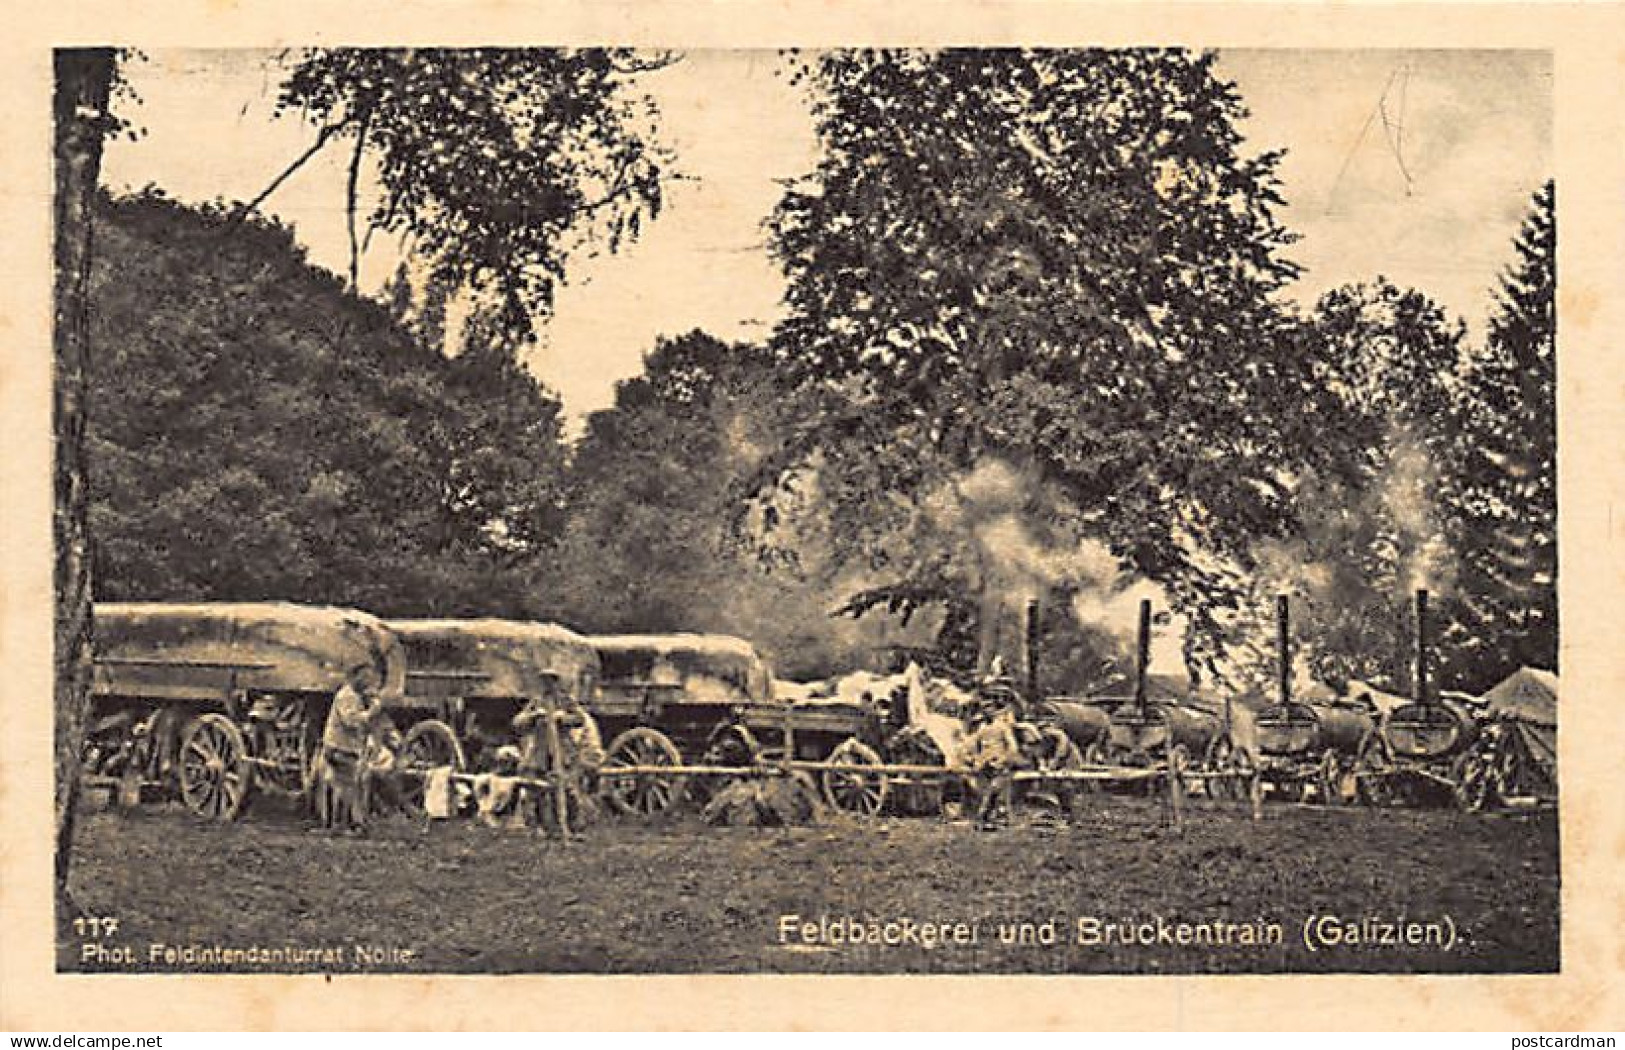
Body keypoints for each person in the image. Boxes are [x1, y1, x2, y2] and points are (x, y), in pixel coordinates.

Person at [315, 662, 393, 831]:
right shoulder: (347, 696)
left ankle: (340, 824)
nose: (368, 683)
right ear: (355, 677)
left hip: (344, 747)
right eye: (365, 679)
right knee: (347, 787)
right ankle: (343, 825)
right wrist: (372, 711)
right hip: (340, 747)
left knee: (344, 785)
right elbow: (350, 721)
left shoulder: (354, 696)